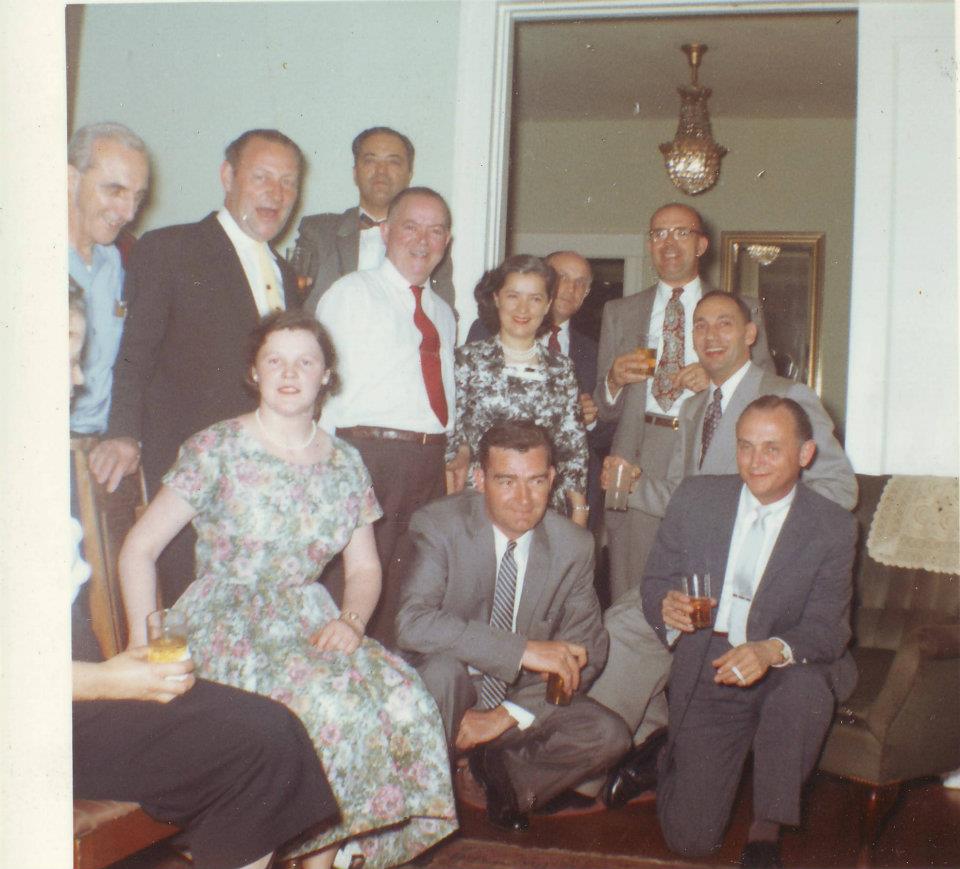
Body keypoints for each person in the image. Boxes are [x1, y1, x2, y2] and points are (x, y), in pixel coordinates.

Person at [118, 310, 457, 869]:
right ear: (254, 372)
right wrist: (142, 648)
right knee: (326, 704)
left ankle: (326, 856)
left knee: (404, 697)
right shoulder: (216, 447)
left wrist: (350, 622)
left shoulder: (346, 461)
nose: (290, 372)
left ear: (327, 375)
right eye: (275, 359)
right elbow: (139, 549)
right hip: (226, 618)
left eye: (306, 360)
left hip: (310, 618)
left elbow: (366, 569)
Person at [69, 288, 338, 869]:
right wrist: (122, 673)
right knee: (264, 738)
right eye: (65, 356)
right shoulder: (218, 446)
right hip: (51, 706)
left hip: (81, 688)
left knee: (272, 731)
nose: (79, 379)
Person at [585, 290, 859, 808]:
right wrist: (630, 485)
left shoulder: (788, 396)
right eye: (701, 326)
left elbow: (840, 491)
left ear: (751, 334)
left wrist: (760, 520)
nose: (711, 336)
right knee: (623, 626)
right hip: (696, 591)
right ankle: (606, 762)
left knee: (629, 629)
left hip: (764, 594)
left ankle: (636, 758)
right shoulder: (694, 408)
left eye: (725, 325)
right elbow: (685, 495)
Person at [641, 396, 857, 868]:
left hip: (787, 666)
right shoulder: (696, 499)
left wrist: (767, 650)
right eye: (745, 447)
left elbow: (827, 629)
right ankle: (665, 756)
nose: (754, 462)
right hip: (712, 662)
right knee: (690, 840)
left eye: (771, 449)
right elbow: (656, 581)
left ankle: (766, 832)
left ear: (805, 455)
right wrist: (666, 609)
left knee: (802, 690)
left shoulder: (832, 527)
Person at [97, 128, 304, 605]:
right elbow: (134, 351)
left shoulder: (286, 274)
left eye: (289, 182)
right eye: (262, 177)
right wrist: (123, 432)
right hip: (188, 473)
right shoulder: (171, 247)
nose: (276, 193)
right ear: (227, 176)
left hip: (263, 479)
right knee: (186, 610)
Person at [396, 421, 630, 832]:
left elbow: (586, 647)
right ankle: (410, 812)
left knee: (608, 734)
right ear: (480, 478)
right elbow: (413, 623)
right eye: (506, 481)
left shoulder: (573, 546)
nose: (523, 499)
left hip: (516, 698)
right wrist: (521, 650)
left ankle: (495, 773)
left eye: (536, 481)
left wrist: (507, 714)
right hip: (450, 691)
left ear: (552, 479)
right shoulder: (440, 526)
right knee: (442, 672)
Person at [595, 203, 773, 604]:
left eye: (681, 232)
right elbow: (602, 411)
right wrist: (612, 380)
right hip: (637, 456)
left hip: (707, 450)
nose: (669, 243)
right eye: (659, 234)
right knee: (633, 594)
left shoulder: (741, 308)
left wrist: (716, 377)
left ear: (701, 244)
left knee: (703, 584)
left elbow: (767, 394)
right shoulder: (619, 312)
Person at [316, 186, 456, 646]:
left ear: (447, 241)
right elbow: (324, 389)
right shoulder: (352, 293)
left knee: (409, 593)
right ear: (386, 232)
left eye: (435, 230)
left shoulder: (443, 313)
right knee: (353, 589)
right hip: (367, 458)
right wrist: (324, 468)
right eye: (411, 227)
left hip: (427, 465)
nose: (423, 240)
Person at [467, 251, 613, 529]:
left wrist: (590, 421)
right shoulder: (483, 335)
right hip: (489, 495)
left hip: (556, 501)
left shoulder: (592, 351)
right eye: (562, 278)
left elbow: (596, 439)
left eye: (580, 282)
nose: (569, 288)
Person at [296, 127, 455, 311]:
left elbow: (443, 311)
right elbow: (293, 303)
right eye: (370, 160)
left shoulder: (429, 241)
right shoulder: (318, 232)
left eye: (393, 162)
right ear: (355, 172)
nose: (381, 171)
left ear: (409, 175)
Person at [67, 122, 150, 438]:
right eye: (114, 191)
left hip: (100, 444)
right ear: (70, 180)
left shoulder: (116, 260)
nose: (129, 213)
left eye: (137, 197)